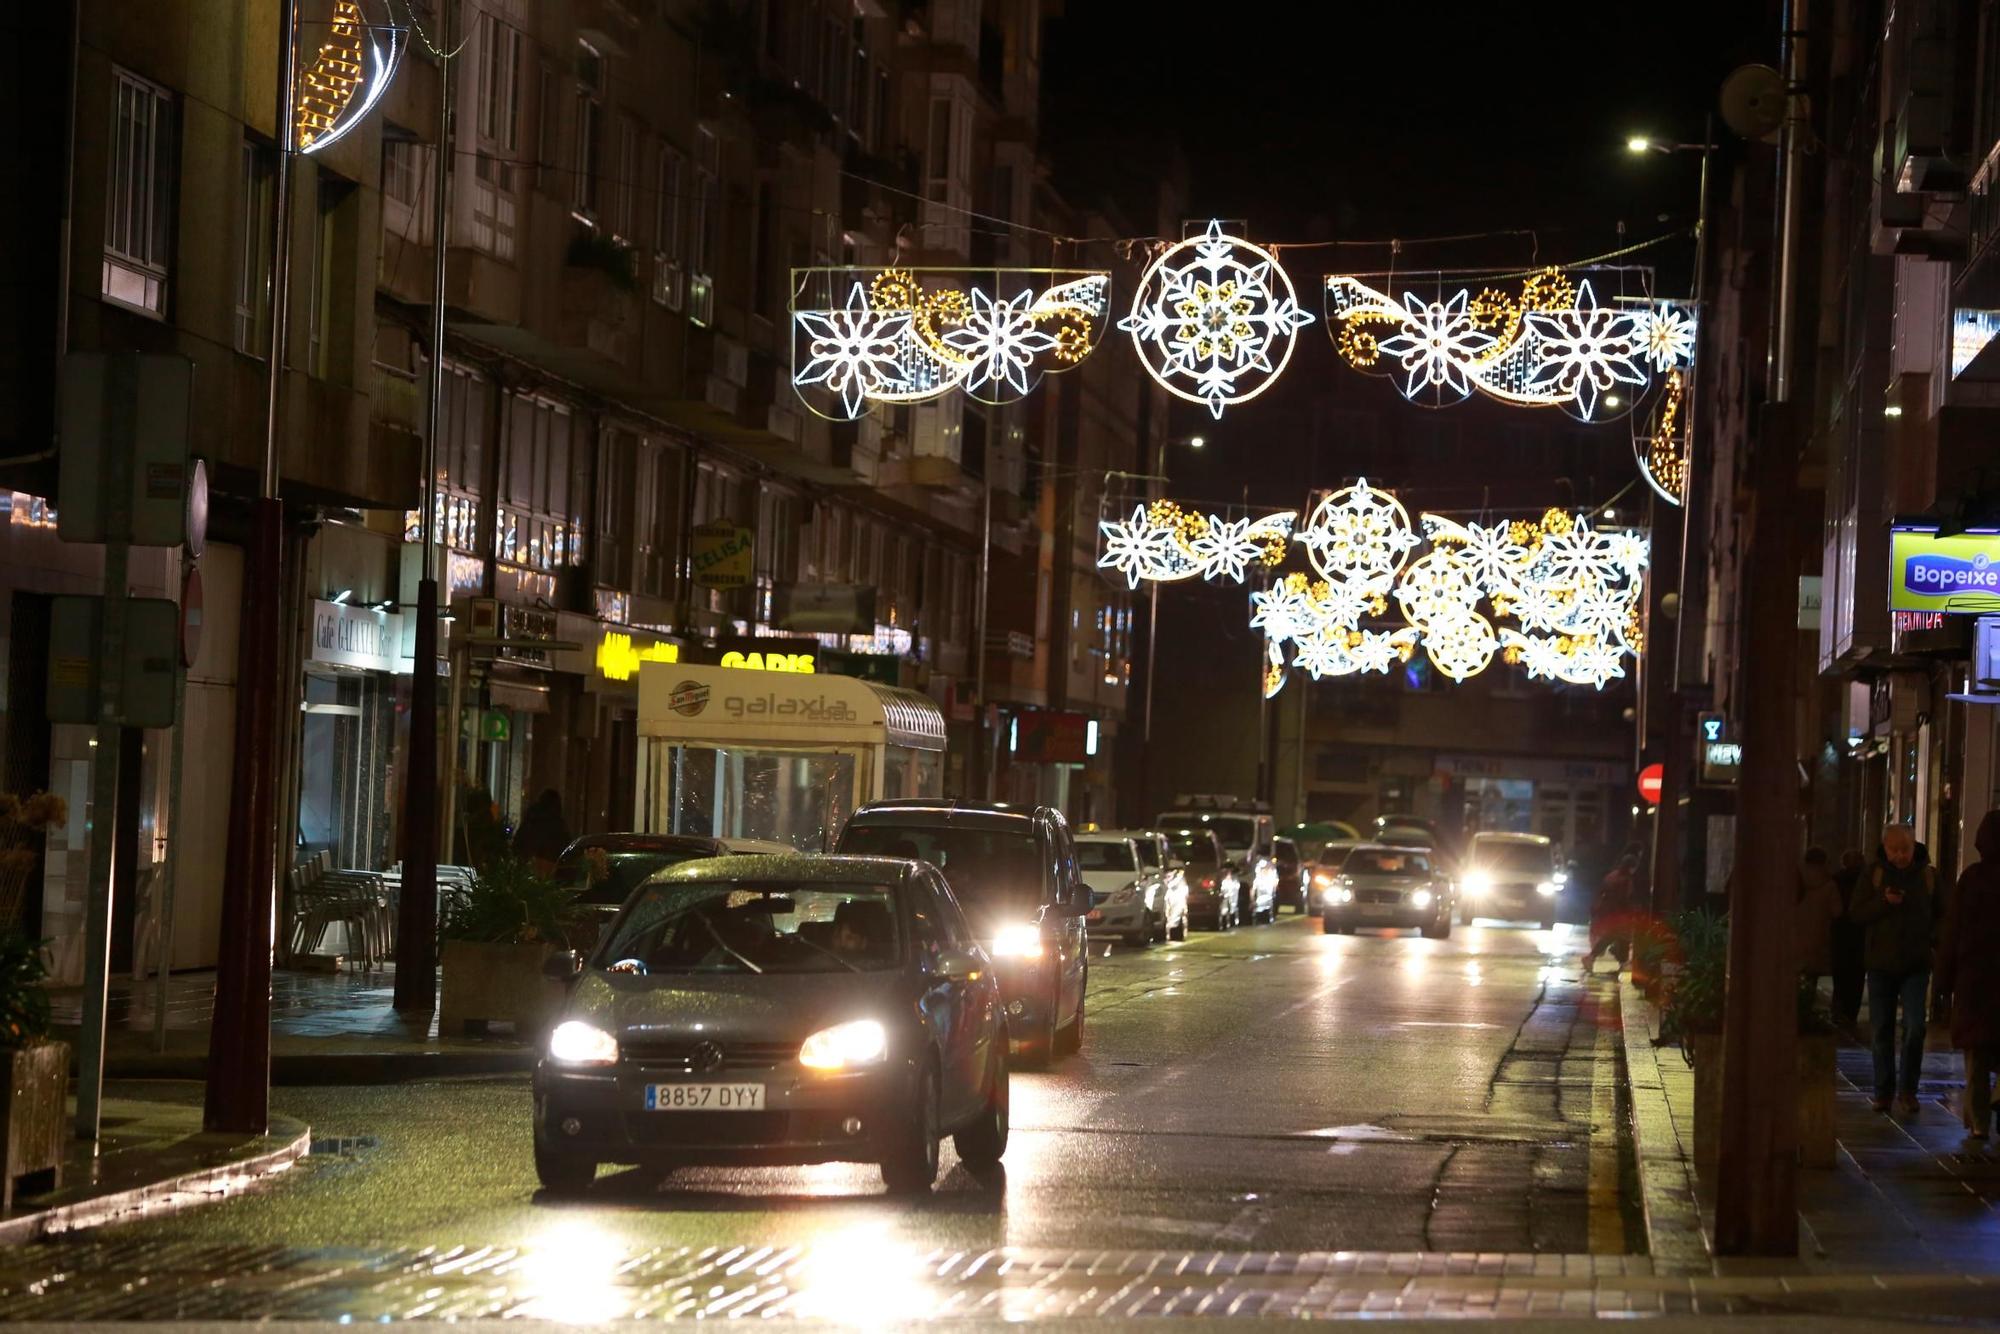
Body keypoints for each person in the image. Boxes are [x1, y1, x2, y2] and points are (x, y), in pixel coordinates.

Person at [1849, 824, 1943, 1114]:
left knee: (1915, 1026)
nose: (1900, 856)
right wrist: (1883, 902)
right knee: (1882, 1030)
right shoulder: (1874, 873)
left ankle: (1908, 1090)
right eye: (1894, 850)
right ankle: (1884, 1091)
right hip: (1880, 964)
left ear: (1914, 846)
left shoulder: (1928, 876)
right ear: (1885, 849)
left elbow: (1942, 914)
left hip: (1916, 963)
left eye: (1905, 849)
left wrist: (1932, 943)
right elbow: (1856, 913)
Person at [1935, 809, 2000, 1145]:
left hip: (1975, 980)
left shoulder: (1971, 879)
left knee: (1976, 1057)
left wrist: (1943, 981)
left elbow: (1953, 930)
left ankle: (1978, 1123)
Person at [1831, 848, 1868, 1032]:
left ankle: (1838, 1010)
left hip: (1840, 933)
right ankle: (1851, 1013)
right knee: (1857, 975)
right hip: (1860, 933)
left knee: (1840, 974)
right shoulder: (1867, 881)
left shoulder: (1835, 880)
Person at [1796, 847, 1840, 987]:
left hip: (1794, 933)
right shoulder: (1829, 884)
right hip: (1818, 935)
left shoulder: (1795, 878)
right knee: (1812, 976)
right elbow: (1837, 911)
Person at [1585, 854, 1638, 970]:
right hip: (1618, 913)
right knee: (1617, 936)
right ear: (1631, 867)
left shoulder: (1612, 875)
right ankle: (1594, 957)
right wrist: (1631, 912)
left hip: (1606, 911)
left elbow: (1601, 891)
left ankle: (1620, 960)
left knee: (1617, 936)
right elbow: (1624, 899)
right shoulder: (1625, 880)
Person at [513, 789, 571, 878]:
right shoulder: (557, 825)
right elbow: (565, 852)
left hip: (525, 874)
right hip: (548, 877)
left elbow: (517, 845)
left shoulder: (530, 820)